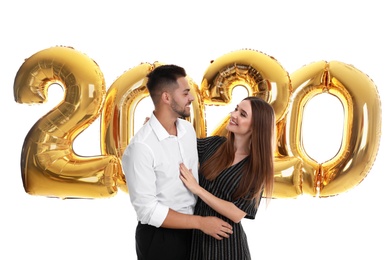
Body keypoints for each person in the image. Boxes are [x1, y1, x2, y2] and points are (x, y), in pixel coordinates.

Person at [121, 64, 233, 260]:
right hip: (161, 238)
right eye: (185, 93)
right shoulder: (141, 147)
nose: (191, 98)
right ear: (166, 97)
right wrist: (200, 223)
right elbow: (148, 211)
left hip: (196, 233)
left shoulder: (187, 131)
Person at [179, 96, 275, 260]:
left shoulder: (256, 168)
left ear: (256, 127)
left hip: (226, 247)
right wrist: (158, 127)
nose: (234, 114)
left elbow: (237, 213)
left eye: (243, 114)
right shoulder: (215, 145)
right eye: (236, 109)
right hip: (197, 239)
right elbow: (179, 144)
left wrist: (198, 189)